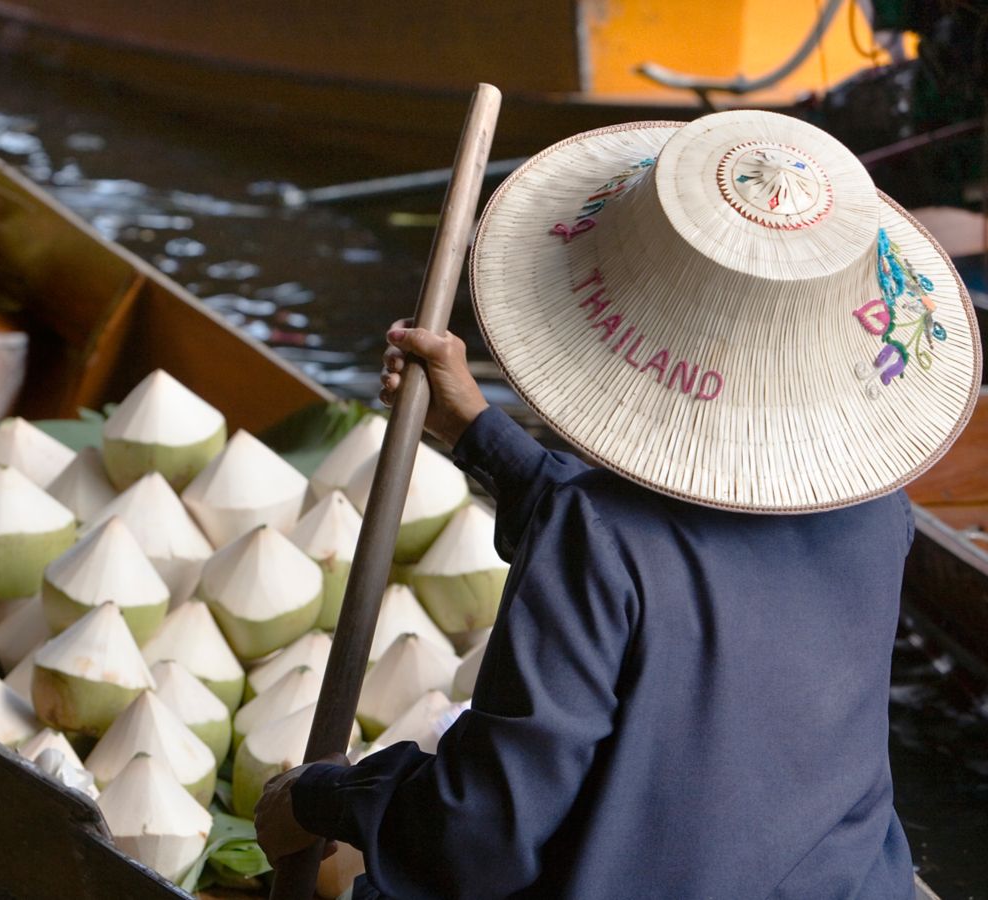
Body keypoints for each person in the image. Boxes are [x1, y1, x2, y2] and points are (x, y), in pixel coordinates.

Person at [254, 109, 979, 899]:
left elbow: (479, 839)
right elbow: (664, 558)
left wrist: (326, 795)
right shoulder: (878, 509)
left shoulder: (593, 535)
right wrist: (478, 433)